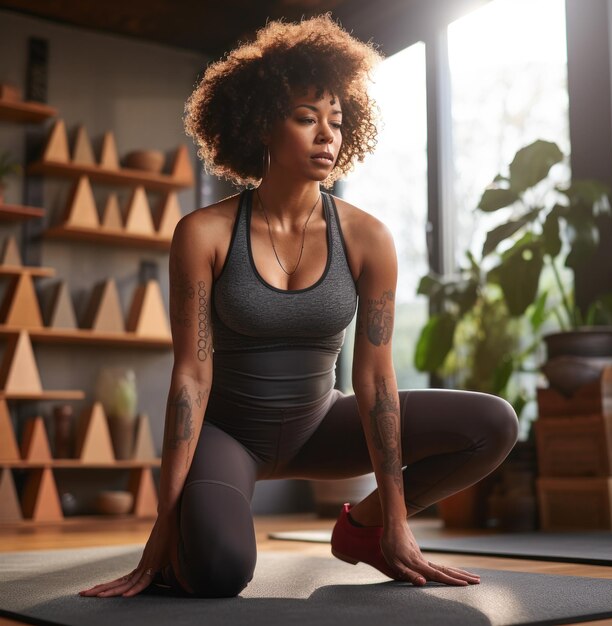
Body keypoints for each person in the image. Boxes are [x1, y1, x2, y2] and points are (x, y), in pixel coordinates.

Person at [79, 14, 518, 600]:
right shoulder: (203, 233)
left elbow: (375, 378)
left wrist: (394, 517)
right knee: (219, 573)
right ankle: (192, 536)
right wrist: (163, 525)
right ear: (261, 126)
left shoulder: (368, 238)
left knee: (493, 424)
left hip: (322, 426)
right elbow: (191, 374)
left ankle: (359, 532)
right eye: (306, 118)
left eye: (336, 121)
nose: (326, 136)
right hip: (228, 437)